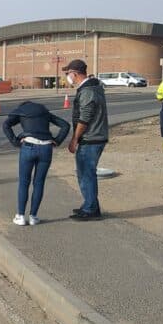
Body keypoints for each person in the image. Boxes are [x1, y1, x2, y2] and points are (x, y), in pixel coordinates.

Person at [3, 101, 70, 226]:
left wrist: (15, 141)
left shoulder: (21, 112)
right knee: (39, 183)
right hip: (46, 148)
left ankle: (21, 216)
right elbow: (65, 125)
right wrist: (57, 141)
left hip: (28, 147)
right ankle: (33, 217)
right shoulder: (44, 113)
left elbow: (6, 125)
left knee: (24, 182)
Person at [63, 59, 109, 221]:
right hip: (94, 137)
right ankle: (90, 205)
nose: (67, 77)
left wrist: (74, 139)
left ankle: (91, 210)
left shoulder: (88, 91)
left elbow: (85, 118)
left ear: (75, 73)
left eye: (68, 73)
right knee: (84, 173)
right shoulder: (91, 88)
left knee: (86, 174)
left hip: (91, 138)